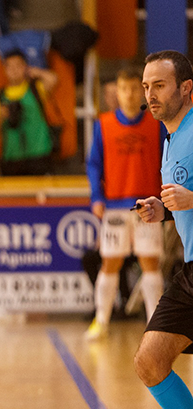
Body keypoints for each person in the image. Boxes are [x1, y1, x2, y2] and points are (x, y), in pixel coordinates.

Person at [134, 50, 193, 409]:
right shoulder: (171, 136)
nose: (149, 95)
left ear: (186, 89)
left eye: (159, 86)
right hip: (191, 270)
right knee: (150, 362)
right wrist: (164, 209)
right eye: (145, 86)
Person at [85, 67, 166, 340]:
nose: (129, 94)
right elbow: (94, 164)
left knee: (150, 265)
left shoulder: (156, 124)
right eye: (123, 88)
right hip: (115, 205)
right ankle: (101, 320)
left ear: (142, 91)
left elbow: (166, 163)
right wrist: (96, 196)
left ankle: (155, 326)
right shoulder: (103, 124)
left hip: (149, 206)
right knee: (110, 263)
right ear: (115, 92)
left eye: (135, 88)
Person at [0, 50, 58, 176]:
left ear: (25, 67)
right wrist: (1, 116)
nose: (14, 70)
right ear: (4, 69)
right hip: (12, 157)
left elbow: (54, 79)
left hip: (39, 154)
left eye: (18, 66)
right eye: (9, 66)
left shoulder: (36, 89)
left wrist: (36, 72)